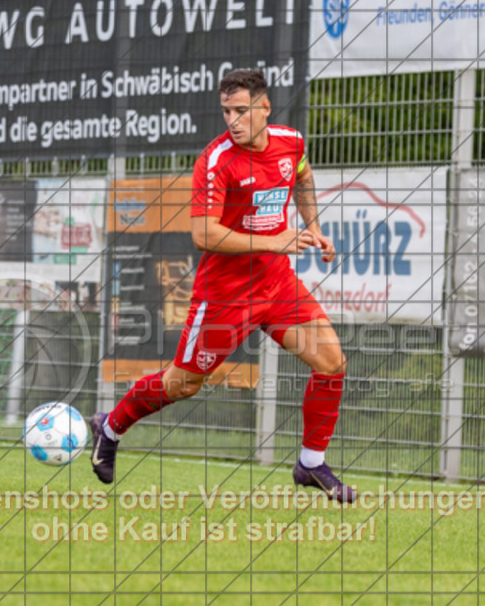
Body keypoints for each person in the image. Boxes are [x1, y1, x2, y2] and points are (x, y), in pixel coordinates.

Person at [90, 69, 355, 502]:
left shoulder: (291, 142)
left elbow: (302, 177)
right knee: (184, 383)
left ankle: (311, 465)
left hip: (277, 285)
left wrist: (314, 227)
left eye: (242, 110)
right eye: (226, 111)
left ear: (264, 107)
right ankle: (112, 426)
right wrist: (276, 239)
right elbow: (204, 234)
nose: (233, 120)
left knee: (331, 361)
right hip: (225, 296)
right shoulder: (216, 161)